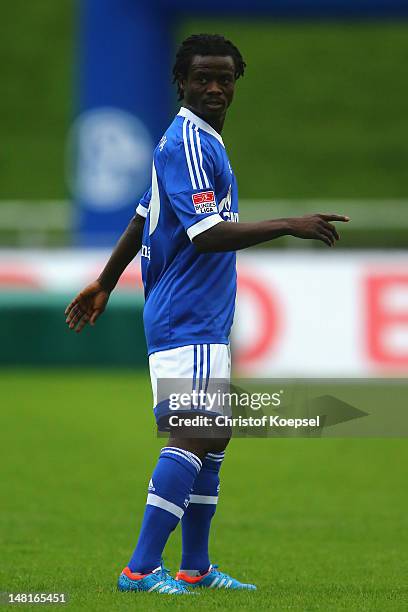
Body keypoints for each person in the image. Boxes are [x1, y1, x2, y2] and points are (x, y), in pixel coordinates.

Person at [65, 33, 349, 595]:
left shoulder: (197, 143)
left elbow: (143, 217)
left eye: (225, 78)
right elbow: (208, 234)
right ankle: (140, 569)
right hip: (185, 314)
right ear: (182, 82)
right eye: (202, 78)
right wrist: (288, 224)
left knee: (212, 436)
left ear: (237, 82)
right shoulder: (188, 143)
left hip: (201, 315)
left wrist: (104, 280)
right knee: (193, 435)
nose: (215, 87)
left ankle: (195, 567)